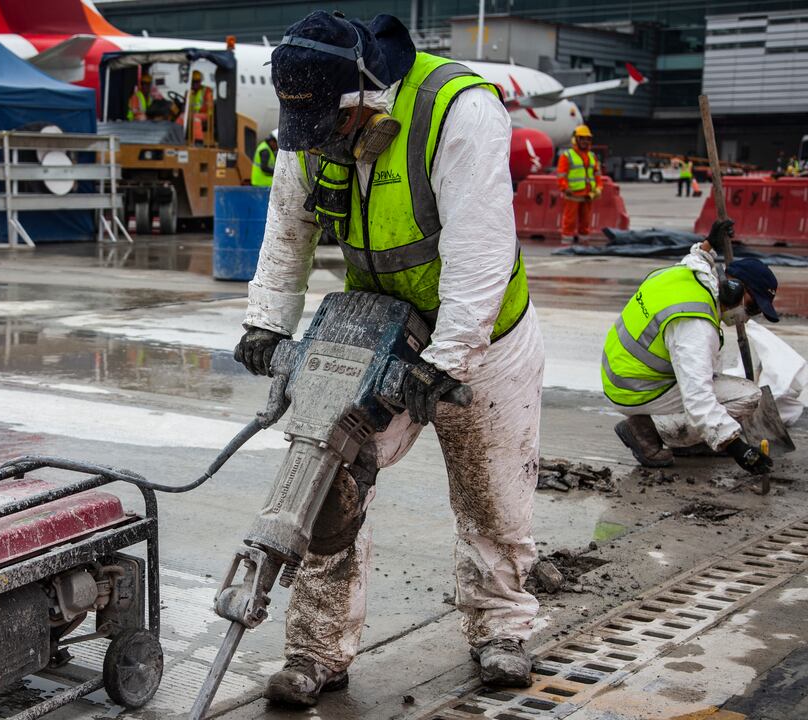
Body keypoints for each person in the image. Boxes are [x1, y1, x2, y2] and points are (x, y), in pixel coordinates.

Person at [233, 10, 544, 703]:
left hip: (483, 336)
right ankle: (317, 650)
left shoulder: (457, 110)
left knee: (492, 496)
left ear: (367, 96)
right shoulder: (313, 122)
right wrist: (265, 323)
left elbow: (480, 249)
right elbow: (289, 226)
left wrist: (449, 359)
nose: (319, 146)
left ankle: (500, 629)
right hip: (377, 327)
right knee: (325, 482)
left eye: (332, 130)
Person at [603, 218, 777, 474]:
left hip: (621, 372)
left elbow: (697, 258)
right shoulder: (694, 323)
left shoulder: (690, 276)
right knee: (746, 395)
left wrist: (709, 244)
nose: (748, 316)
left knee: (710, 370)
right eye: (751, 306)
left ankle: (683, 429)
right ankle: (649, 433)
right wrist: (734, 445)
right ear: (732, 287)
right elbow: (698, 399)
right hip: (635, 387)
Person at [555, 124, 602, 242]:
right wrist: (565, 188)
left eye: (588, 139)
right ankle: (566, 242)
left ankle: (584, 242)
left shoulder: (592, 156)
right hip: (573, 195)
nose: (585, 141)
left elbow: (597, 175)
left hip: (588, 195)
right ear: (576, 139)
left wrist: (599, 188)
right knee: (569, 220)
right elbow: (561, 175)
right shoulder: (567, 156)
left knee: (585, 221)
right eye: (582, 138)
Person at [182, 69, 214, 143]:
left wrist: (208, 116)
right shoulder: (188, 92)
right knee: (181, 117)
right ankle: (177, 138)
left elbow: (209, 107)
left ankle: (198, 141)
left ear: (200, 81)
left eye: (197, 81)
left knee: (195, 118)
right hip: (191, 114)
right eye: (193, 81)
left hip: (205, 114)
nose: (195, 84)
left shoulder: (206, 91)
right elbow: (185, 104)